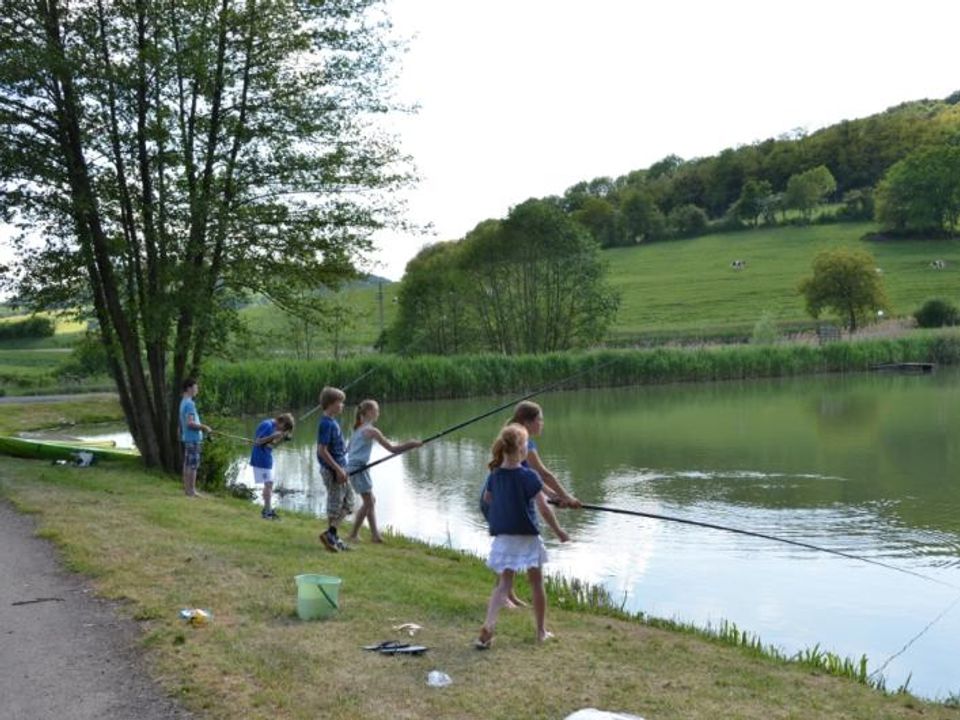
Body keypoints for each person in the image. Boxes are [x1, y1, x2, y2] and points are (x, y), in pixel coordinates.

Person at [476, 424, 569, 650]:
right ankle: (540, 632)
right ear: (521, 449)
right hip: (527, 536)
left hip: (504, 537)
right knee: (537, 583)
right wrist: (559, 532)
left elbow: (488, 500)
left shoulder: (495, 475)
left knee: (503, 585)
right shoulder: (529, 476)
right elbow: (544, 509)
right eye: (526, 444)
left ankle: (488, 625)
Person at [482, 400, 581, 607]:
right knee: (509, 546)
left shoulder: (513, 434)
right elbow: (544, 474)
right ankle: (504, 596)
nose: (542, 424)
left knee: (507, 546)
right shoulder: (523, 441)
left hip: (495, 496)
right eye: (540, 420)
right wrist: (567, 497)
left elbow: (533, 478)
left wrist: (557, 497)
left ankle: (508, 594)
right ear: (528, 421)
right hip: (498, 498)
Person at [345, 400, 422, 544]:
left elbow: (349, 451)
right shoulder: (371, 431)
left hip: (357, 468)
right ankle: (353, 534)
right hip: (358, 469)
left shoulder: (357, 429)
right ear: (368, 412)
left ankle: (375, 535)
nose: (378, 413)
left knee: (370, 501)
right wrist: (411, 444)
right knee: (369, 502)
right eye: (376, 410)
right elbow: (393, 449)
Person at [316, 386, 353, 552]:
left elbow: (335, 449)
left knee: (348, 503)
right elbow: (321, 451)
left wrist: (347, 449)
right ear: (331, 404)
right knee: (335, 504)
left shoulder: (333, 422)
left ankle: (331, 535)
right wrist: (337, 469)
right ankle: (332, 537)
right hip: (333, 470)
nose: (342, 405)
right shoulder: (325, 424)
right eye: (340, 402)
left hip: (341, 467)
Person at [250, 412, 296, 520]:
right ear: (282, 422)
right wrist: (273, 436)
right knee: (269, 484)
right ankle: (267, 512)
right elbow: (258, 442)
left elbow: (271, 445)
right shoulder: (268, 425)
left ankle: (267, 510)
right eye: (284, 428)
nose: (282, 431)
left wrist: (282, 439)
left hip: (266, 457)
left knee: (269, 484)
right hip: (261, 458)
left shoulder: (273, 427)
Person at [179, 378, 212, 497]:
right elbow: (190, 423)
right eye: (195, 387)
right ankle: (191, 491)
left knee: (187, 464)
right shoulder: (190, 404)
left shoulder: (183, 402)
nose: (197, 390)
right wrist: (205, 427)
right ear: (189, 388)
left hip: (188, 438)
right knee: (193, 465)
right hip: (193, 438)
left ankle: (187, 490)